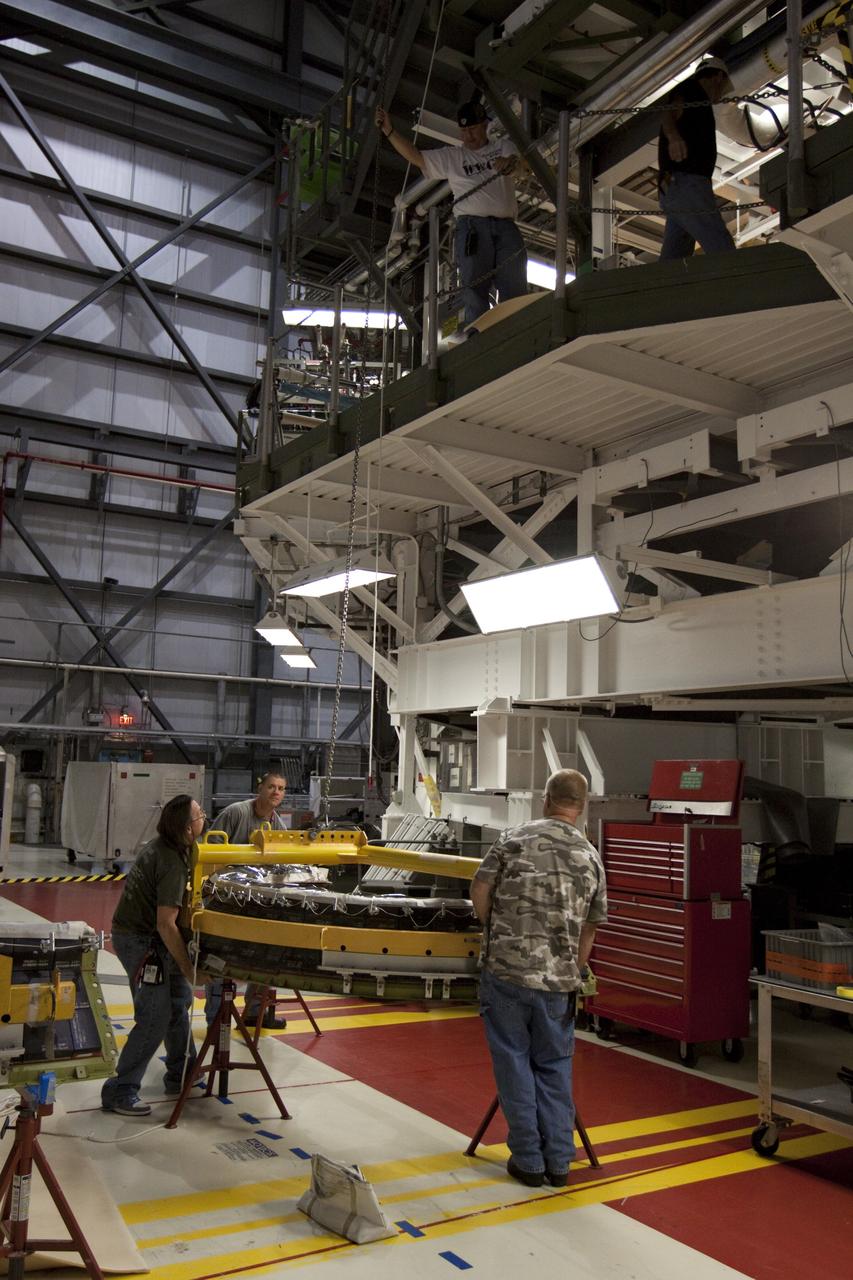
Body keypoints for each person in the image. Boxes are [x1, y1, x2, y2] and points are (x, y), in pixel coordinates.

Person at [469, 769, 607, 1188]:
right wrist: (574, 969)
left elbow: (480, 888)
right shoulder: (590, 856)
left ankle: (529, 1160)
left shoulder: (514, 837)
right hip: (558, 984)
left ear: (546, 799)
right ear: (581, 808)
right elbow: (591, 928)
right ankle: (560, 1162)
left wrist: (495, 929)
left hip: (507, 973)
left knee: (514, 1062)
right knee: (553, 1065)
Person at [376, 99, 527, 330]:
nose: (468, 135)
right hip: (472, 227)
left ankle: (518, 331)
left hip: (506, 226)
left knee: (514, 286)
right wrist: (389, 131)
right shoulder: (453, 156)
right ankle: (477, 337)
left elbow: (521, 166)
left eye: (473, 129)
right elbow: (416, 156)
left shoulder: (503, 147)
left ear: (485, 125)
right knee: (474, 288)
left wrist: (509, 164)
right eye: (464, 130)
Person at [101, 794, 205, 1117]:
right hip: (141, 940)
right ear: (188, 828)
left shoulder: (174, 848)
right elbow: (165, 923)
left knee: (180, 1000)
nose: (204, 817)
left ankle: (181, 1071)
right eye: (200, 814)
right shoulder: (171, 860)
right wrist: (190, 968)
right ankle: (121, 1089)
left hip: (151, 936)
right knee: (155, 1014)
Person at [206, 771, 289, 1029]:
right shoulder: (236, 813)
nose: (276, 792)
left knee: (266, 951)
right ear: (260, 789)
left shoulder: (278, 826)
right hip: (224, 898)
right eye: (271, 787)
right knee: (222, 958)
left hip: (257, 901)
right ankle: (217, 1018)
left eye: (281, 789)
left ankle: (255, 1011)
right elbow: (209, 850)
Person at [658, 56, 736, 261]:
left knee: (674, 258)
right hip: (687, 184)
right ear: (719, 77)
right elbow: (668, 113)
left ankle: (663, 290)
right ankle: (738, 284)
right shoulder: (692, 91)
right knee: (721, 246)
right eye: (724, 85)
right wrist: (674, 137)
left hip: (673, 189)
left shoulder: (696, 98)